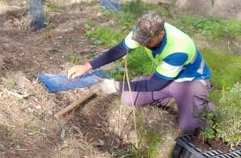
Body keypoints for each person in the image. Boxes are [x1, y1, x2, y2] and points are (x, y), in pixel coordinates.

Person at [67, 11, 215, 135]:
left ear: (161, 34)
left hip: (190, 82)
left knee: (189, 127)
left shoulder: (178, 49)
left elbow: (155, 84)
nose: (142, 44)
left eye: (148, 42)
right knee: (129, 99)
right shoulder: (143, 32)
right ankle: (174, 99)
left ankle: (202, 105)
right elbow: (120, 49)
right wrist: (87, 66)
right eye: (141, 41)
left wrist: (115, 85)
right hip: (166, 78)